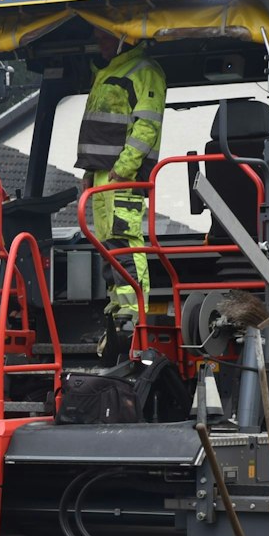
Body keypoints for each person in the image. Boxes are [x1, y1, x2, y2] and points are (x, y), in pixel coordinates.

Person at [77, 28, 166, 338]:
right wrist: (90, 172)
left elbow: (147, 127)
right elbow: (99, 131)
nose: (99, 44)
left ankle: (133, 313)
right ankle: (118, 311)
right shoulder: (106, 73)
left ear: (124, 38)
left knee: (125, 240)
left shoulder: (145, 71)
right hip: (103, 175)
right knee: (107, 244)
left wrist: (124, 169)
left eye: (104, 38)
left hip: (122, 178)